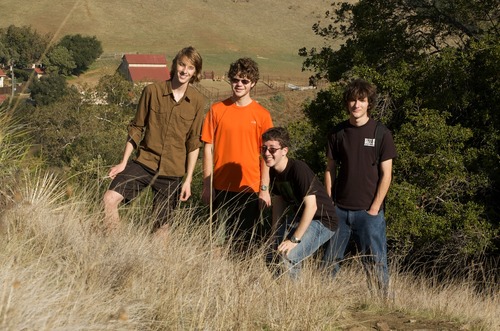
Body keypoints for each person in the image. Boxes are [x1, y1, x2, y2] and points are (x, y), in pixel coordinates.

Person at [102, 46, 206, 234]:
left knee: (162, 228)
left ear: (195, 72)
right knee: (109, 199)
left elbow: (193, 143)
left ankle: (155, 262)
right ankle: (114, 247)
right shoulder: (152, 91)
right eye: (182, 64)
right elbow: (136, 127)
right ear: (174, 65)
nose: (184, 71)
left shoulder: (198, 101)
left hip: (172, 171)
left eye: (190, 68)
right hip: (144, 162)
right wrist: (124, 162)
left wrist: (188, 180)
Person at [323, 78, 397, 297]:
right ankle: (322, 300)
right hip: (339, 211)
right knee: (330, 262)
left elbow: (387, 175)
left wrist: (374, 208)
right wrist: (329, 204)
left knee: (376, 263)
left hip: (369, 213)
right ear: (347, 103)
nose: (357, 105)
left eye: (361, 100)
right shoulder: (337, 133)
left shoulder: (381, 134)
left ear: (369, 103)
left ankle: (382, 304)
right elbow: (329, 169)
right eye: (353, 100)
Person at [201, 57, 273, 253]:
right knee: (216, 243)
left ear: (253, 83)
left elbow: (267, 155)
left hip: (249, 187)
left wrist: (264, 189)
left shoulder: (262, 115)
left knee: (243, 245)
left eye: (245, 81)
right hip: (220, 186)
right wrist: (207, 186)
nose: (239, 84)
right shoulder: (216, 110)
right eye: (235, 80)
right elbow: (207, 148)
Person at [262, 127, 338, 279]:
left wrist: (294, 240)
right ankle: (280, 290)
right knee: (270, 253)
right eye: (264, 148)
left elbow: (312, 206)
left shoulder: (298, 168)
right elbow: (278, 203)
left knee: (290, 255)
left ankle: (292, 297)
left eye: (272, 149)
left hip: (322, 220)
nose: (266, 153)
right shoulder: (273, 171)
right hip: (301, 218)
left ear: (284, 150)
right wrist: (274, 233)